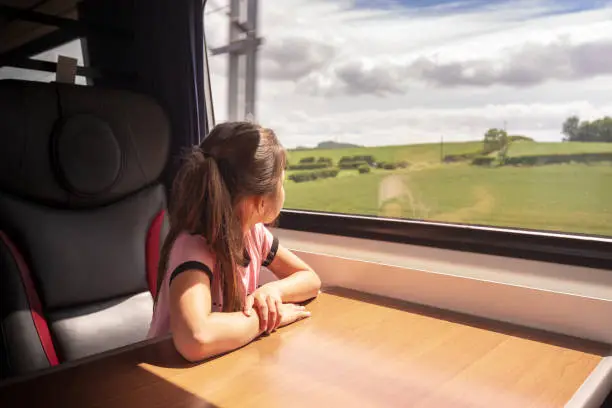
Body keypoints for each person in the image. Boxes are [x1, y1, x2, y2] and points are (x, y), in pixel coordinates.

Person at [147, 121, 322, 362]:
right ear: (260, 201)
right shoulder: (194, 246)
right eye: (281, 181)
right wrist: (266, 319)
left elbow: (310, 279)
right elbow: (195, 337)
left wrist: (271, 292)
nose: (283, 189)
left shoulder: (255, 234)